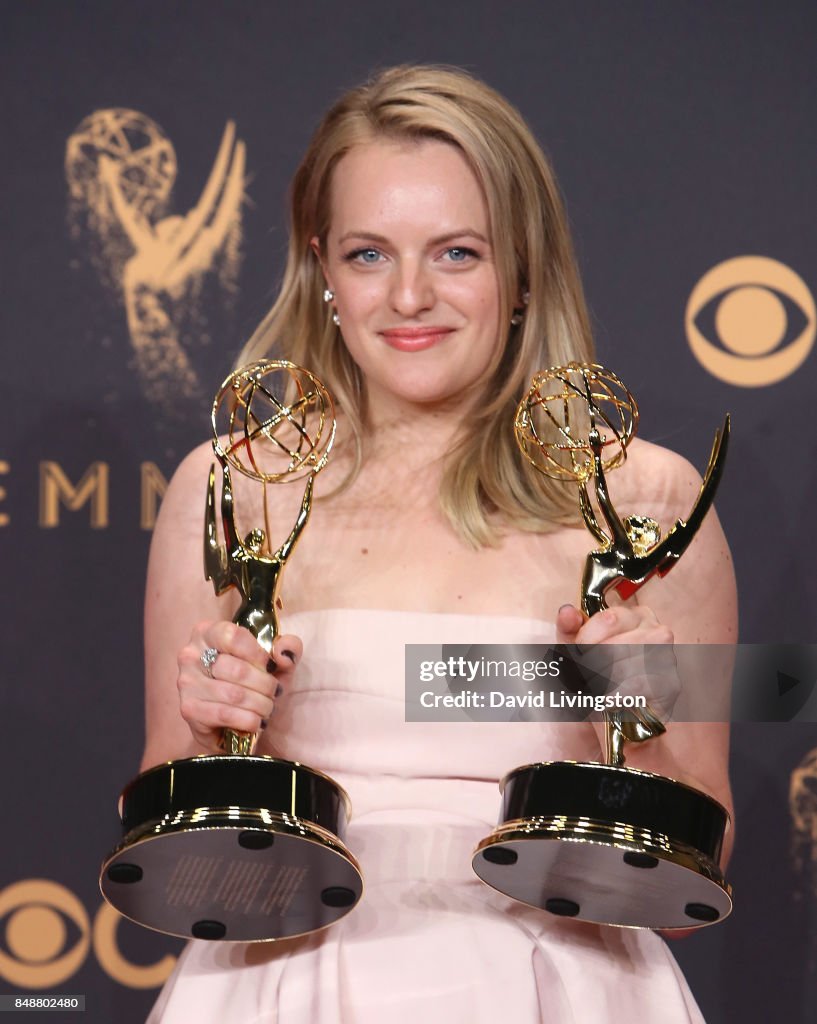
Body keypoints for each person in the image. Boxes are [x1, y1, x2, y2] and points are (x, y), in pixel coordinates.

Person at [142, 65, 737, 1023]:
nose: (408, 296)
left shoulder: (642, 498)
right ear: (320, 267)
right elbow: (174, 853)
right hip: (283, 987)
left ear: (524, 267)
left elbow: (688, 885)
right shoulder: (231, 488)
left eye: (456, 252)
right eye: (368, 254)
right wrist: (212, 730)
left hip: (559, 989)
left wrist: (640, 711)